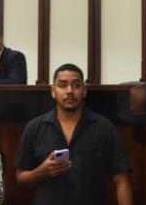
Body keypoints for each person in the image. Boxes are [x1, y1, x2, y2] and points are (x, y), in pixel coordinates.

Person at [15, 63, 133, 205]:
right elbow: (21, 180)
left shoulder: (103, 127)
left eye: (76, 85)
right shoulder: (35, 127)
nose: (70, 91)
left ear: (84, 91)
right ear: (53, 91)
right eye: (62, 85)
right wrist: (42, 171)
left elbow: (122, 181)